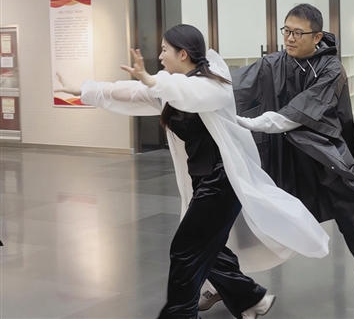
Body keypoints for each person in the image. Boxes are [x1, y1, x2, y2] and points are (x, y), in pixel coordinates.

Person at [56, 24, 330, 319]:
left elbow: (192, 93)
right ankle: (251, 299)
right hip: (203, 181)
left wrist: (153, 80)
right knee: (210, 248)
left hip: (222, 181)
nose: (160, 56)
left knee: (185, 250)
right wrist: (85, 90)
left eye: (164, 50)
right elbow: (131, 92)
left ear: (183, 54)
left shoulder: (213, 85)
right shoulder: (168, 89)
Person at [229, 3, 354, 311]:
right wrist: (193, 86)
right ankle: (226, 283)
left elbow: (304, 109)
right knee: (244, 217)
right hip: (281, 153)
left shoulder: (331, 69)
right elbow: (235, 84)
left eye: (298, 33)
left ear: (317, 37)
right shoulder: (273, 63)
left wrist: (258, 122)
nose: (289, 38)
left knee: (349, 215)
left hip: (321, 154)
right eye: (286, 31)